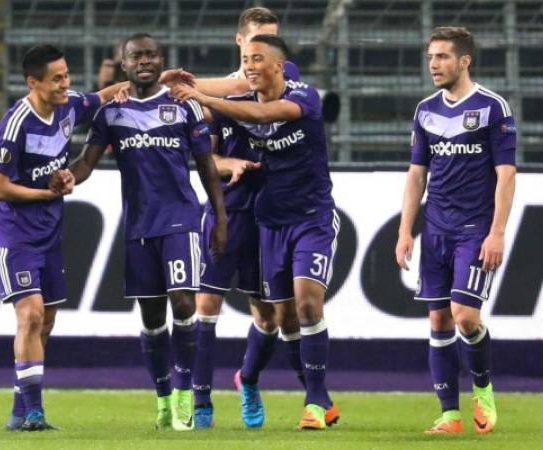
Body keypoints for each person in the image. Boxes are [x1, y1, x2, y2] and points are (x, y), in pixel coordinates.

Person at [49, 33, 227, 432]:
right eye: (136, 56)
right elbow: (86, 163)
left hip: (181, 218)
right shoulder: (111, 112)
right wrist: (66, 177)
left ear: (160, 60)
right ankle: (163, 396)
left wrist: (221, 219)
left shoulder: (184, 107)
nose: (144, 61)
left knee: (184, 304)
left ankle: (184, 394)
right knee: (151, 318)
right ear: (124, 64)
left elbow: (207, 167)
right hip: (138, 224)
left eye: (151, 55)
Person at [173, 34, 340, 430]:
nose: (250, 66)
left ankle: (314, 401)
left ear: (280, 65)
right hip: (264, 221)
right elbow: (195, 133)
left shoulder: (304, 96)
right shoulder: (236, 104)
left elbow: (265, 116)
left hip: (311, 216)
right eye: (245, 58)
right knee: (280, 317)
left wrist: (200, 97)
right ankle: (227, 389)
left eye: (258, 58)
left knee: (305, 302)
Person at [0, 44, 128, 431]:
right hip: (15, 236)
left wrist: (158, 81)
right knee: (30, 314)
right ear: (33, 82)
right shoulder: (16, 124)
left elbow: (103, 95)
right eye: (57, 79)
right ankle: (34, 413)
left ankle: (20, 408)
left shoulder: (69, 107)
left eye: (66, 75)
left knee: (45, 322)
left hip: (49, 233)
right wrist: (48, 192)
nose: (66, 84)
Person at [395, 27, 516, 434]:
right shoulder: (425, 110)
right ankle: (449, 414)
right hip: (436, 230)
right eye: (431, 56)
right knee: (439, 321)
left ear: (464, 61)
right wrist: (405, 231)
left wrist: (497, 232)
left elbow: (506, 176)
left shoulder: (492, 108)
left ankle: (482, 387)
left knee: (465, 316)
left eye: (443, 56)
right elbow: (417, 176)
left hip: (475, 230)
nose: (434, 64)